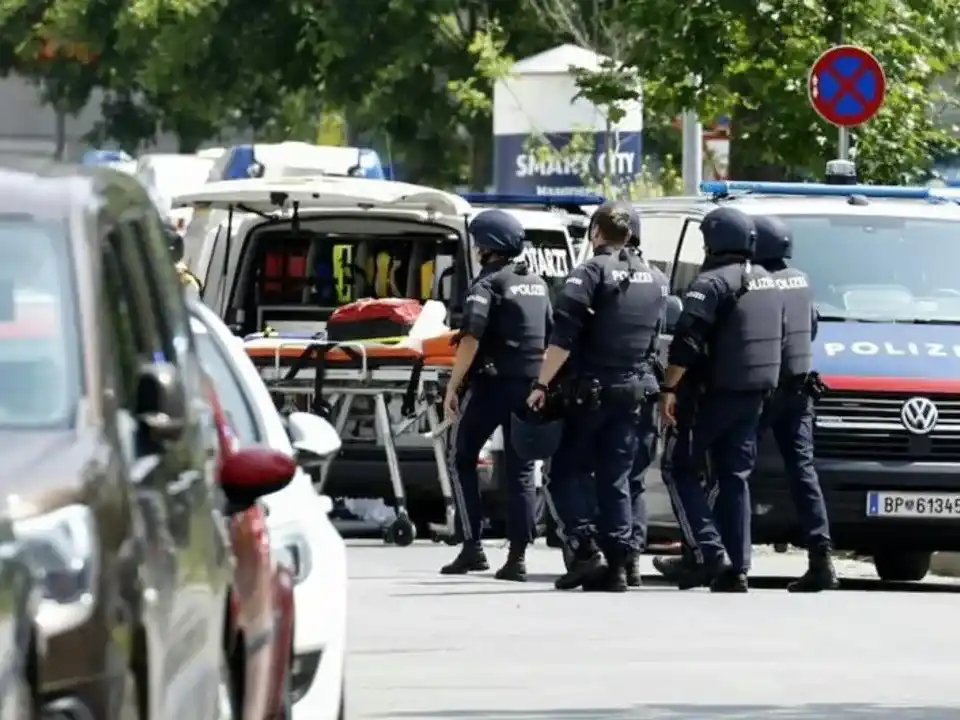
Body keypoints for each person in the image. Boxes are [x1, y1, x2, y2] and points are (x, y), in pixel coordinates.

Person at [529, 201, 667, 592]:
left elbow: (563, 338)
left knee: (563, 473)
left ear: (595, 232)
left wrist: (541, 385)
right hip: (636, 391)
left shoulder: (589, 272)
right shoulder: (657, 277)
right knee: (617, 478)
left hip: (592, 392)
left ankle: (585, 548)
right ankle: (621, 565)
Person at [656, 206, 784, 592]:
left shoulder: (709, 283)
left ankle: (709, 551)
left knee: (678, 468)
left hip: (710, 396)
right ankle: (738, 567)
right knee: (734, 477)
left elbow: (687, 340)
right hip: (755, 395)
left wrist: (668, 388)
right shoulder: (768, 281)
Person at [440, 209, 552, 581]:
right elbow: (549, 334)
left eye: (478, 244)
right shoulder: (537, 283)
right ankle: (517, 557)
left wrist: (453, 386)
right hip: (531, 387)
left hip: (492, 386)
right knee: (521, 470)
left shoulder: (485, 285)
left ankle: (472, 546)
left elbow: (471, 337)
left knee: (460, 455)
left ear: (487, 247)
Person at [752, 214, 838, 592]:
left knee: (731, 468)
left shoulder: (756, 280)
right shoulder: (802, 280)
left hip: (762, 389)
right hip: (800, 390)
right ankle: (821, 558)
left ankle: (711, 554)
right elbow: (811, 327)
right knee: (803, 473)